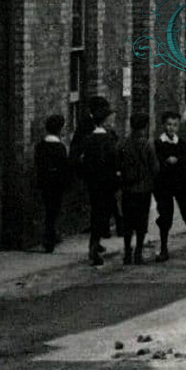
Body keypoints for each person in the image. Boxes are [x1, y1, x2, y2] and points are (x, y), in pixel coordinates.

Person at [72, 97, 120, 266]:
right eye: (110, 120)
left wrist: (86, 175)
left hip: (93, 182)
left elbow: (82, 159)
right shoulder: (108, 140)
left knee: (96, 212)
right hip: (106, 182)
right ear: (104, 121)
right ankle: (94, 247)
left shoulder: (88, 139)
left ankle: (95, 242)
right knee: (102, 214)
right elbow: (114, 161)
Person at [153, 111, 186, 261]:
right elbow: (155, 163)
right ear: (163, 125)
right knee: (165, 216)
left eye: (175, 125)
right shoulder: (158, 143)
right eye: (169, 124)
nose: (171, 128)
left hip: (181, 183)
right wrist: (165, 161)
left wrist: (178, 160)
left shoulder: (180, 143)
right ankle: (163, 249)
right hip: (164, 184)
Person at [117, 114, 158, 266]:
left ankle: (127, 253)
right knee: (141, 222)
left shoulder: (123, 144)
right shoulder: (147, 145)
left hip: (127, 189)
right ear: (145, 127)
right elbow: (155, 168)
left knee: (128, 222)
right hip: (143, 190)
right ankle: (138, 253)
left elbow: (117, 164)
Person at [34, 114, 70, 253]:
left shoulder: (40, 146)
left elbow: (38, 164)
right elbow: (64, 167)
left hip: (44, 182)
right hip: (56, 184)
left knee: (48, 210)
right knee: (53, 211)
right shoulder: (60, 147)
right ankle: (50, 237)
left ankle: (50, 235)